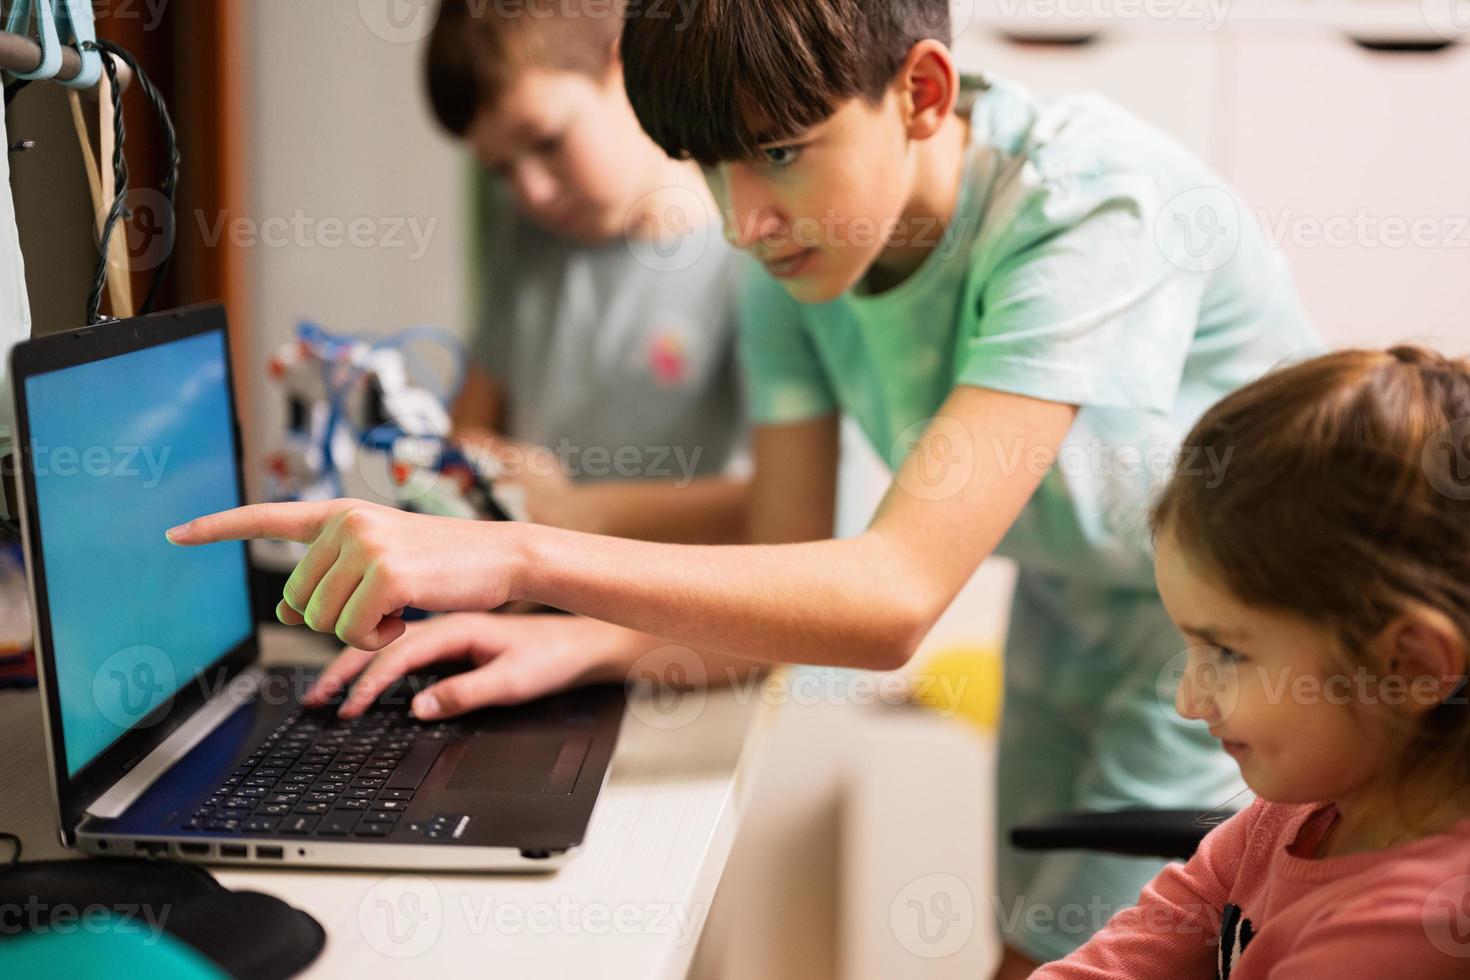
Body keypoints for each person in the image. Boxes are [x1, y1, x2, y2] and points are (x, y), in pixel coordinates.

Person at [168, 1, 1321, 970]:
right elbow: (783, 541)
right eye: (709, 166)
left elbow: (891, 598)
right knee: (1027, 943)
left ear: (922, 92)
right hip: (1077, 600)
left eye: (776, 152)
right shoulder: (794, 250)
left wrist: (521, 557)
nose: (740, 217)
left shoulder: (1081, 203)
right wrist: (547, 601)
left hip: (1250, 632)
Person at [1034, 346, 1470, 978]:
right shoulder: (1291, 818)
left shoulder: (1420, 925)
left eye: (1228, 651)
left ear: (1408, 666)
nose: (1188, 699)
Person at [424, 0, 749, 544]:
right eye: (501, 169)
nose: (533, 192)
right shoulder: (527, 236)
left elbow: (778, 504)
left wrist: (571, 512)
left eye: (548, 141)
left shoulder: (749, 255)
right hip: (538, 598)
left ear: (624, 68)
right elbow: (472, 424)